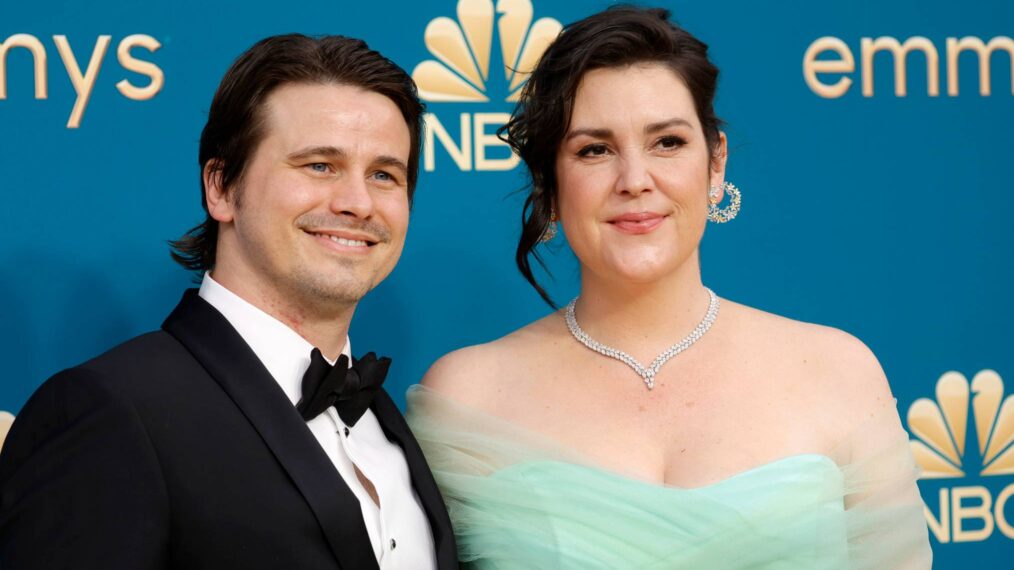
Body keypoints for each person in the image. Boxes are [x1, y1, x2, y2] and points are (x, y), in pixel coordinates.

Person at [406, 7, 932, 569]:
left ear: (716, 164)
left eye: (667, 143)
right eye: (594, 150)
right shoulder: (466, 398)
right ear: (550, 186)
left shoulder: (839, 372)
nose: (635, 180)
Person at [0, 34, 457, 570]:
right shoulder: (110, 409)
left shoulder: (391, 424)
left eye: (384, 175)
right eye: (318, 165)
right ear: (220, 188)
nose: (357, 203)